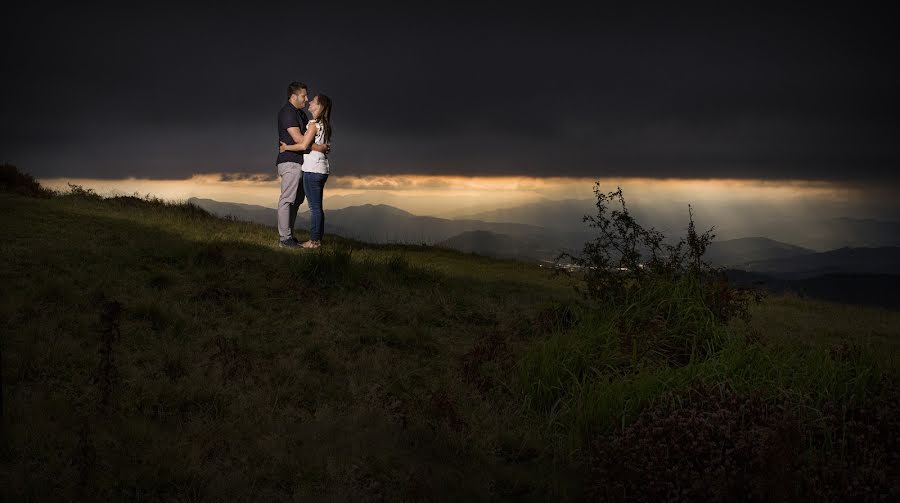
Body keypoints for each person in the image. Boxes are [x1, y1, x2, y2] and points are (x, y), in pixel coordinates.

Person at [276, 82, 329, 248]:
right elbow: (301, 140)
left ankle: (289, 236)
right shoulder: (288, 113)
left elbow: (309, 137)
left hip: (302, 163)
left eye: (308, 97)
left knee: (297, 200)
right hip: (290, 160)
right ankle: (285, 238)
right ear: (293, 96)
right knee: (287, 199)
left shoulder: (301, 114)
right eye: (303, 96)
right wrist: (320, 147)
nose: (306, 99)